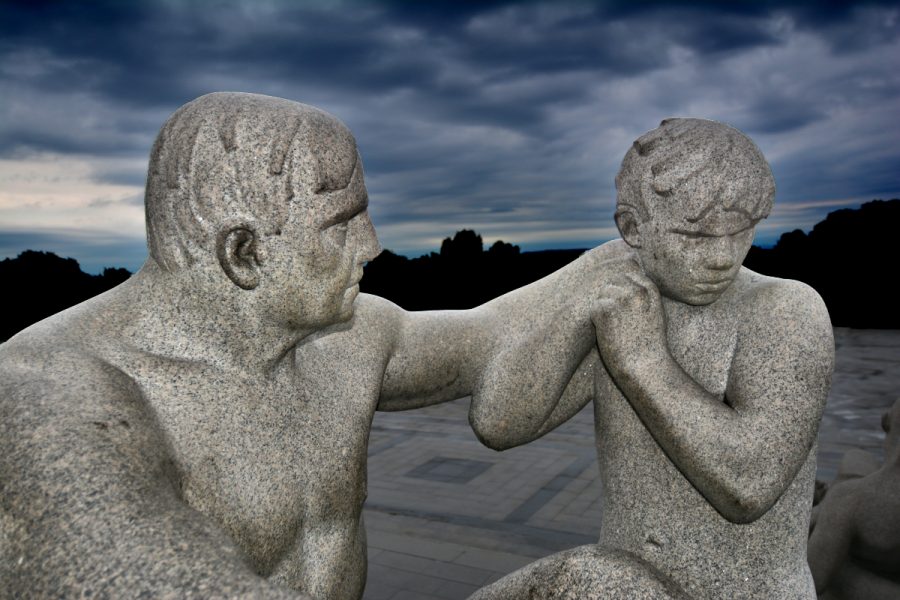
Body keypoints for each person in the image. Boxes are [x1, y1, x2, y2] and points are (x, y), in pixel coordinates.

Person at [0, 92, 612, 599]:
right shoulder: (52, 390)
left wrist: (617, 261)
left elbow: (492, 334)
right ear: (244, 254)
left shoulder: (346, 341)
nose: (370, 246)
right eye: (341, 223)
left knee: (595, 582)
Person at [469, 118, 835, 599]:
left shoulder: (786, 310)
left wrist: (642, 360)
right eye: (696, 236)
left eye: (742, 231)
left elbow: (748, 485)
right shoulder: (627, 302)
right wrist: (580, 307)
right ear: (632, 228)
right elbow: (499, 422)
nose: (723, 257)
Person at [808, 398, 900, 599]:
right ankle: (820, 508)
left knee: (839, 501)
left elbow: (807, 584)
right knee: (856, 458)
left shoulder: (852, 500)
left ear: (888, 425)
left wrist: (844, 573)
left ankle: (816, 511)